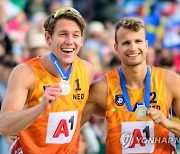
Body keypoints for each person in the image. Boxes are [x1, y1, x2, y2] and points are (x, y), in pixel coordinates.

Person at [0, 7, 94, 153]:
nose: (70, 41)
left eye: (75, 35)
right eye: (63, 34)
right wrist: (40, 108)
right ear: (48, 37)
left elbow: (83, 111)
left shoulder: (86, 70)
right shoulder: (25, 72)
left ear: (82, 40)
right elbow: (4, 125)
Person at [81, 17, 180, 154]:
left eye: (138, 41)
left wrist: (167, 123)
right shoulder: (101, 87)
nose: (133, 48)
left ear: (146, 45)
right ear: (116, 48)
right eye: (126, 43)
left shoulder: (170, 81)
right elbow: (71, 129)